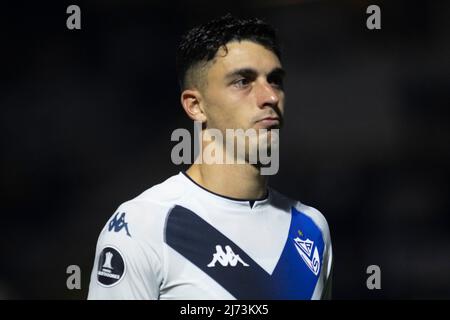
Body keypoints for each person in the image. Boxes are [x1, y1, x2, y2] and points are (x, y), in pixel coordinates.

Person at [88, 14, 333, 300]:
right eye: (243, 81)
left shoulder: (312, 227)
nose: (270, 96)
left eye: (275, 80)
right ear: (195, 106)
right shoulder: (144, 225)